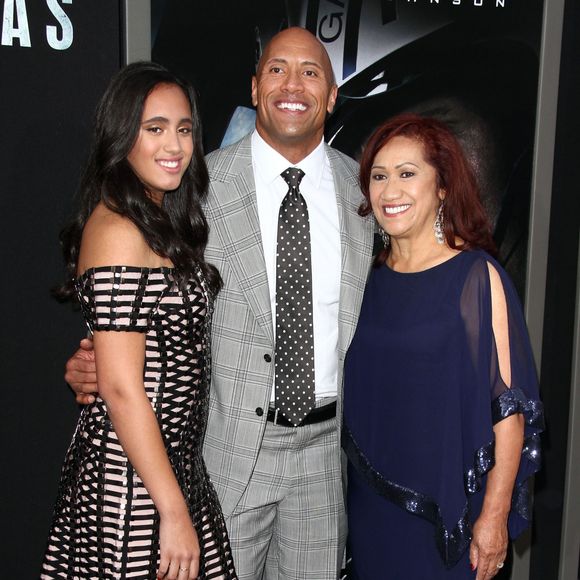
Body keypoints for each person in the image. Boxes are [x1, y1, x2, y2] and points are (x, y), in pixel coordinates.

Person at [64, 28, 375, 580]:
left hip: (324, 458)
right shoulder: (193, 185)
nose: (293, 84)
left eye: (311, 72)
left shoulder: (366, 194)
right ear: (255, 87)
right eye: (277, 69)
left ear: (331, 96)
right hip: (223, 455)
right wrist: (97, 363)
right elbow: (136, 310)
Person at [42, 62, 237, 579]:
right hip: (131, 485)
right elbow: (123, 388)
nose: (173, 145)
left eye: (184, 128)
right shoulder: (120, 230)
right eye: (154, 129)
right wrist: (173, 511)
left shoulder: (157, 215)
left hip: (167, 470)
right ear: (122, 136)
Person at [342, 114, 543, 580]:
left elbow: (509, 412)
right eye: (379, 176)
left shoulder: (475, 277)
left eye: (407, 174)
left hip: (448, 518)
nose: (390, 191)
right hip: (369, 509)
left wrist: (493, 517)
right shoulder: (364, 279)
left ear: (443, 187)